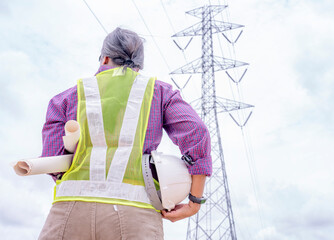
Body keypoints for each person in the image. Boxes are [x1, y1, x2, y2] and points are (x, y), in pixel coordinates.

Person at [38, 27, 212, 240]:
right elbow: (197, 133)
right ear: (138, 65)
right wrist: (194, 202)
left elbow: (54, 164)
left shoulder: (66, 98)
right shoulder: (160, 93)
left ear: (104, 59)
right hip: (135, 214)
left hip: (70, 211)